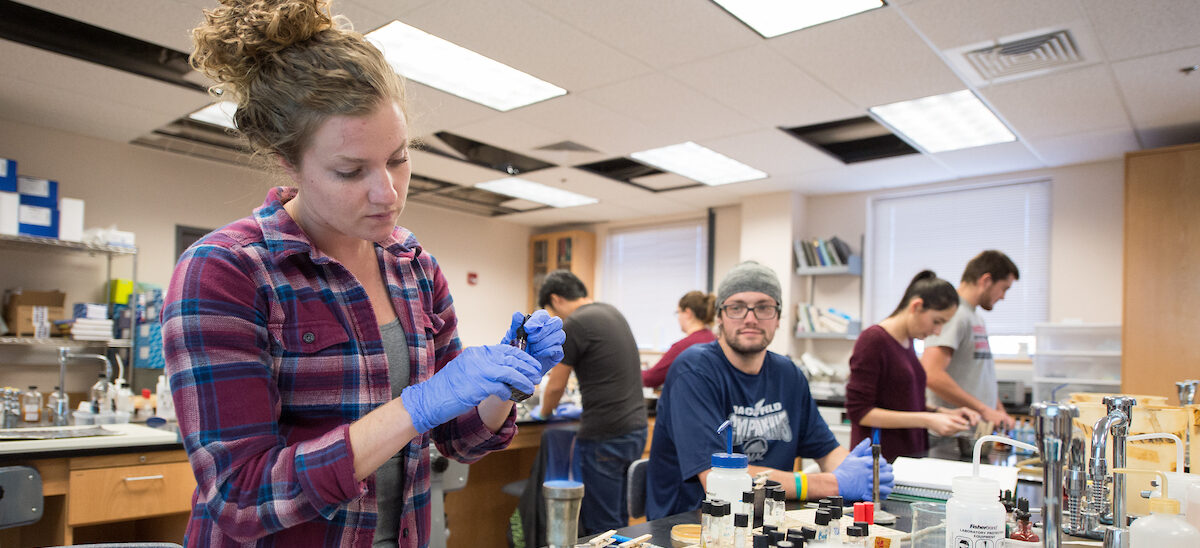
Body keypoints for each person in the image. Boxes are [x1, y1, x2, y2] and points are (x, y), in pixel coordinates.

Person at [163, 1, 564, 546]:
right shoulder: (227, 271)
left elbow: (459, 441)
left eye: (398, 158)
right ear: (288, 159)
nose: (389, 193)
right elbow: (240, 498)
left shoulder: (413, 267)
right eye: (351, 171)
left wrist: (504, 387)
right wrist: (413, 408)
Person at [646, 261, 894, 521]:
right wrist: (832, 484)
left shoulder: (789, 374)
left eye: (764, 307)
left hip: (767, 520)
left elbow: (826, 450)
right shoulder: (694, 370)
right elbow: (718, 479)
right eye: (736, 308)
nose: (750, 319)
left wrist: (863, 472)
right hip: (691, 525)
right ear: (719, 316)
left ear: (778, 318)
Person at [536, 269, 648, 534]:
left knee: (602, 524)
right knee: (620, 514)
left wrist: (542, 413)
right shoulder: (611, 312)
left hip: (605, 434)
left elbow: (555, 386)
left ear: (556, 299)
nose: (555, 319)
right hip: (635, 429)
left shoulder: (575, 323)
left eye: (552, 312)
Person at [845, 270, 981, 462]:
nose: (937, 331)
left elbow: (902, 401)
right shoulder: (873, 340)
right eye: (937, 321)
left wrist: (943, 413)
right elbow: (860, 412)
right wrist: (927, 420)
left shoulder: (907, 342)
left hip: (907, 457)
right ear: (916, 306)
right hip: (880, 463)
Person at [920, 250, 1020, 431]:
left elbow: (980, 373)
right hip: (951, 433)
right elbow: (931, 373)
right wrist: (984, 409)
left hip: (971, 432)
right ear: (986, 280)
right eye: (1004, 288)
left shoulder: (973, 316)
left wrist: (997, 409)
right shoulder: (955, 314)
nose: (1003, 296)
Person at [641, 290, 717, 388]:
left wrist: (631, 372)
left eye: (678, 312)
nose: (678, 318)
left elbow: (650, 379)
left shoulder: (684, 346)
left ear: (688, 313)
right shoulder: (714, 339)